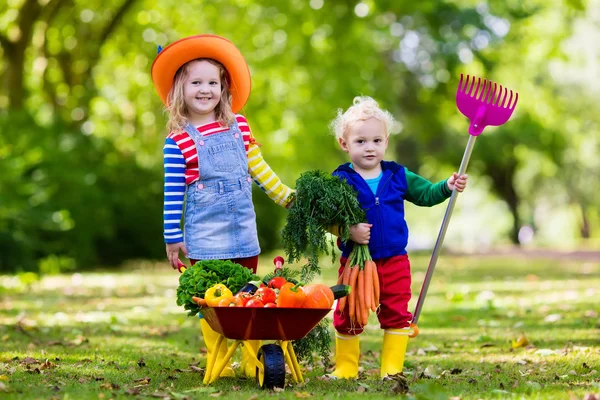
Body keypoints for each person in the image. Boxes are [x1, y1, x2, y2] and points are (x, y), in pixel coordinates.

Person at [151, 34, 293, 378]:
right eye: (195, 82)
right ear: (179, 90)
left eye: (212, 82)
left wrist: (288, 198)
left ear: (224, 87)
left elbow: (259, 169)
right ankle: (221, 360)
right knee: (212, 301)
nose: (205, 89)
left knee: (249, 297)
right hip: (204, 235)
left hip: (243, 231)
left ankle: (249, 359)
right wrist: (172, 236)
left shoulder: (238, 126)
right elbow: (173, 194)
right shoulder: (178, 142)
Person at [328, 96, 468, 379]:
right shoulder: (340, 180)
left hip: (394, 260)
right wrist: (348, 231)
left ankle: (391, 369)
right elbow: (327, 218)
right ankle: (345, 368)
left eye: (377, 141)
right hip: (356, 263)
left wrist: (448, 186)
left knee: (396, 312)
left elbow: (426, 194)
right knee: (348, 312)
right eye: (361, 141)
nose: (370, 147)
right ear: (345, 144)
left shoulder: (397, 175)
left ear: (386, 141)